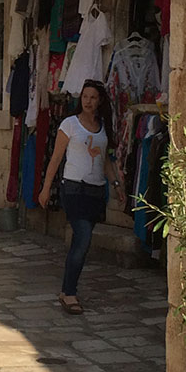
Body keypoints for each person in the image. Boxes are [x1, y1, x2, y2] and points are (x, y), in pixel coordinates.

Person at [38, 79, 125, 314]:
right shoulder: (70, 125)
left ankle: (67, 290)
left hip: (95, 191)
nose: (88, 101)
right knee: (83, 238)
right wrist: (46, 188)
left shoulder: (103, 126)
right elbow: (55, 158)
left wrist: (116, 184)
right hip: (74, 189)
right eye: (85, 96)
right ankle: (70, 293)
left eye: (93, 97)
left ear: (99, 101)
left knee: (81, 241)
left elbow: (105, 160)